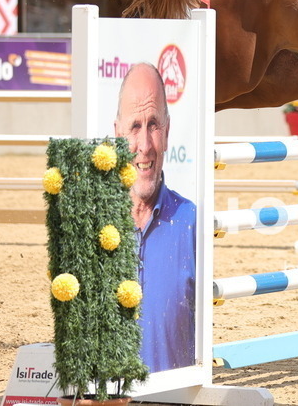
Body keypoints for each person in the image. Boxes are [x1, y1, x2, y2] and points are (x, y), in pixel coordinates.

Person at [113, 63, 197, 373]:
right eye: (135, 126)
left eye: (153, 125)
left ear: (168, 131)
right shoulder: (91, 225)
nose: (145, 145)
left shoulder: (193, 223)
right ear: (117, 134)